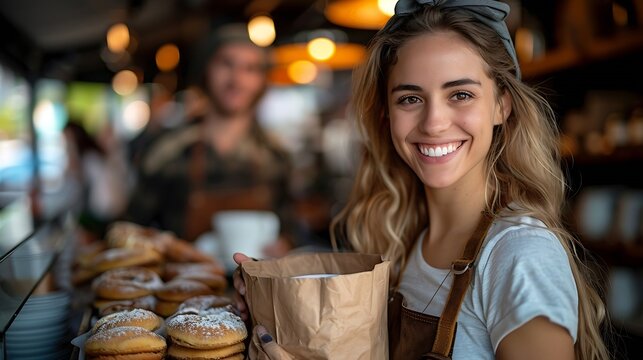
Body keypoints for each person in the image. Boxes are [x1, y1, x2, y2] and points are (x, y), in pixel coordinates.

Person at [233, 1, 610, 359]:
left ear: (502, 105)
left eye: (460, 94)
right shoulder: (403, 235)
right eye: (410, 99)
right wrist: (276, 307)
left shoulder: (519, 254)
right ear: (386, 115)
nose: (433, 123)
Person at [124, 23, 292, 247]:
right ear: (206, 69)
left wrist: (285, 244)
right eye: (226, 64)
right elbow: (131, 228)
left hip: (259, 281)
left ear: (262, 81)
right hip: (186, 280)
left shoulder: (275, 156)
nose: (237, 79)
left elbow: (292, 227)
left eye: (251, 68)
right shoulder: (166, 152)